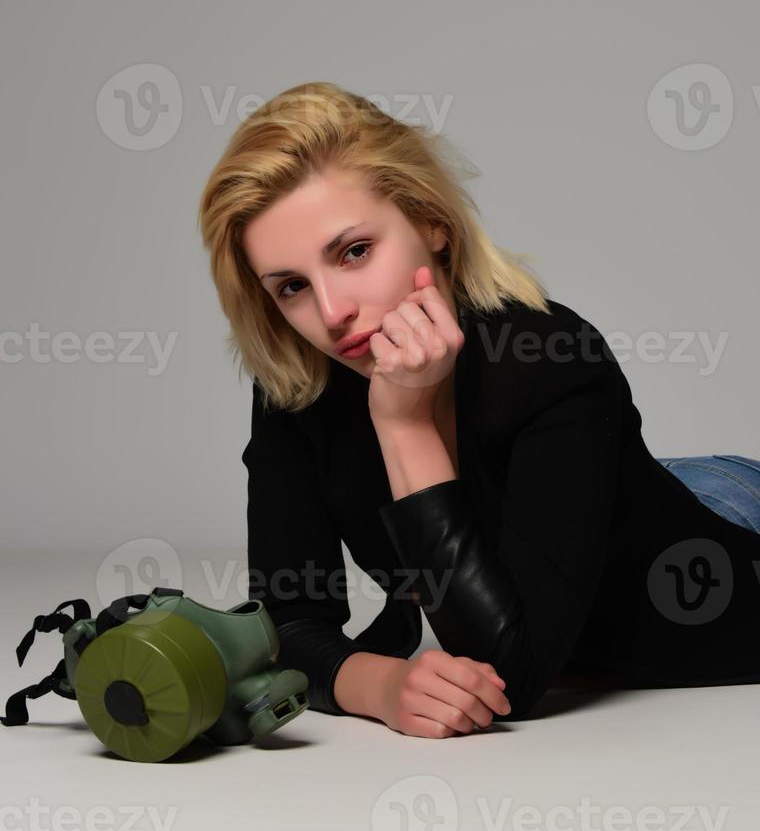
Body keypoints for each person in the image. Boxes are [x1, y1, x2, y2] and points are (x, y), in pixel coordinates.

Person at [197, 81, 760, 739]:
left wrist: (403, 422)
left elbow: (508, 675)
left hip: (715, 543)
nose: (330, 313)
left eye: (353, 252)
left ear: (432, 224)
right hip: (618, 494)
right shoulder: (299, 383)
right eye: (291, 286)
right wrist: (382, 684)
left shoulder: (551, 355)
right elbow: (284, 623)